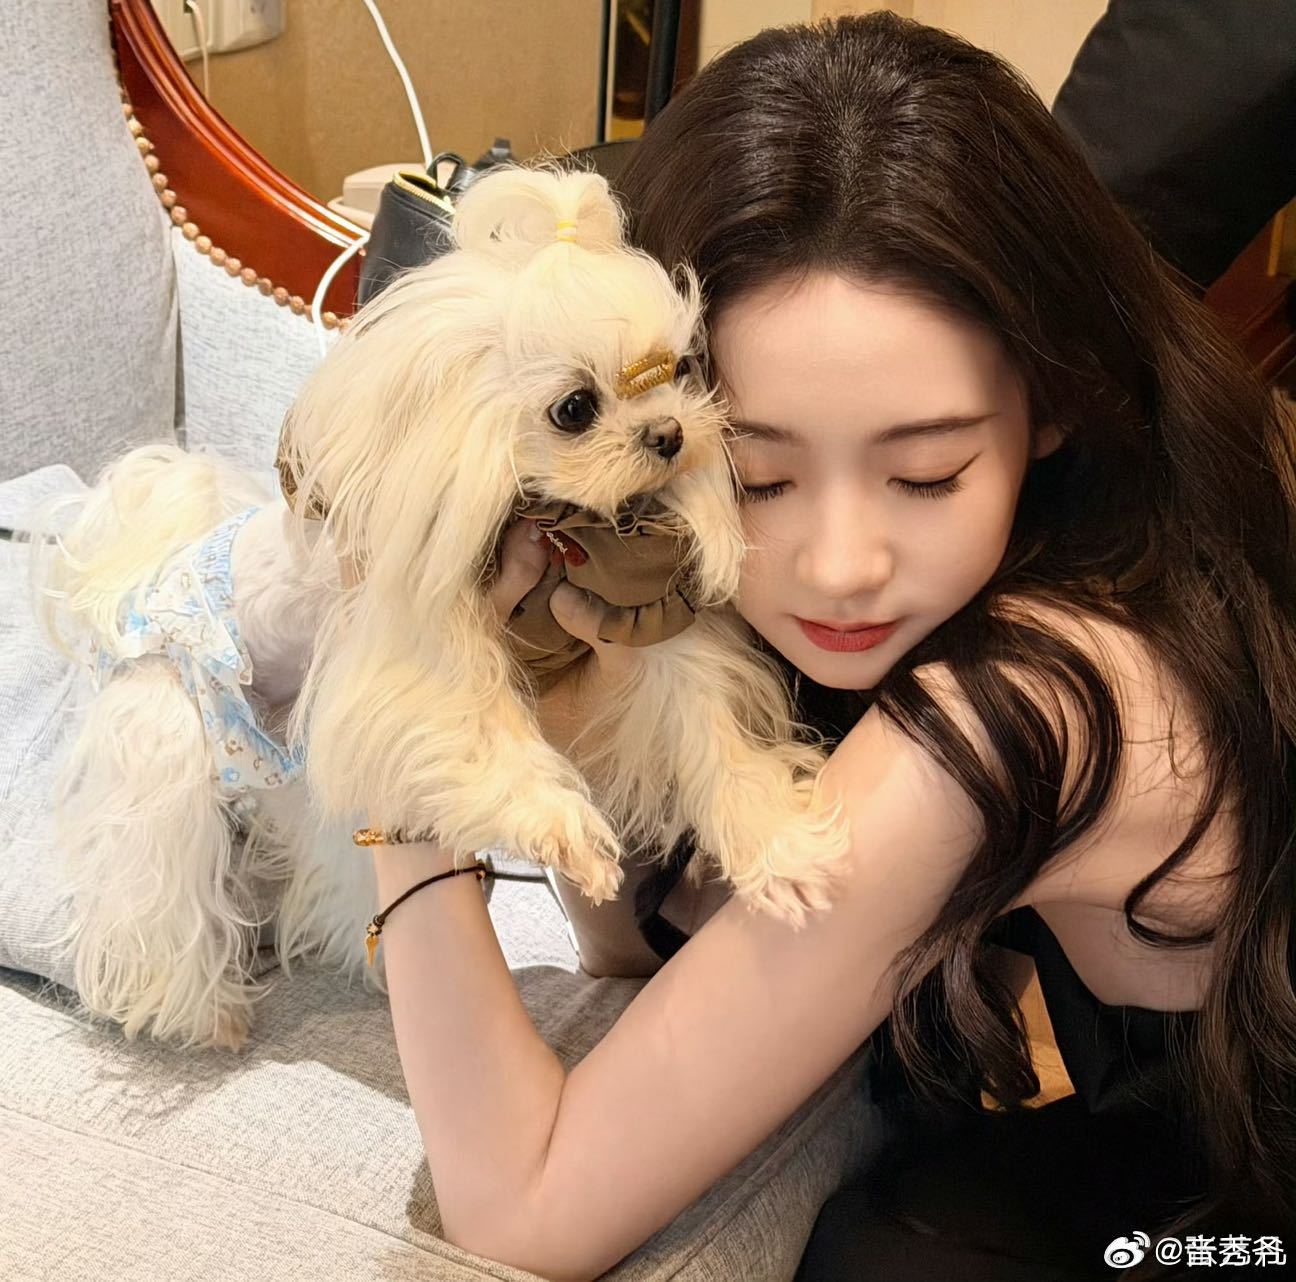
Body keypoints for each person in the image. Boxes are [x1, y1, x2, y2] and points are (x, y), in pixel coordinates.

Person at [366, 13, 1296, 1280]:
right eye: (755, 478)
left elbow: (523, 1209)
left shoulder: (1019, 706)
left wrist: (406, 744)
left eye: (927, 473)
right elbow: (629, 945)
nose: (842, 564)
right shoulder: (968, 586)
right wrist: (605, 651)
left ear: (1055, 405)